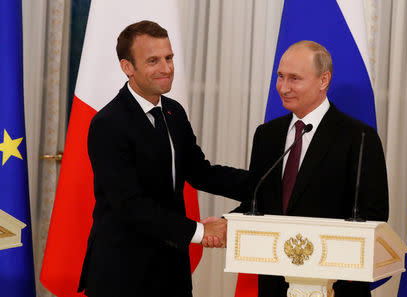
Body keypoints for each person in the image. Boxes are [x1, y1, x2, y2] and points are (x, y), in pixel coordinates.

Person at [77, 20, 251, 297]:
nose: (166, 68)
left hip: (171, 268)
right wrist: (200, 231)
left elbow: (199, 172)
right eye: (153, 60)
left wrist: (267, 183)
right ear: (128, 67)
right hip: (122, 272)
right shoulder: (108, 123)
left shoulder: (173, 112)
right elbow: (129, 205)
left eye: (169, 58)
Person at [233, 41, 389, 297]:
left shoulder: (359, 137)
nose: (283, 87)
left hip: (336, 285)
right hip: (275, 283)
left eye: (294, 78)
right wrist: (225, 223)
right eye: (280, 77)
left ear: (323, 80)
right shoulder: (266, 135)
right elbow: (256, 201)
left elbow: (374, 214)